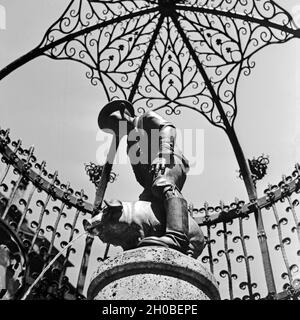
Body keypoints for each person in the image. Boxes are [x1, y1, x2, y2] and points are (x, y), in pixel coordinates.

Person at [98, 100, 190, 254]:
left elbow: (167, 128)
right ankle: (157, 236)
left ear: (124, 112)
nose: (116, 129)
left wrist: (163, 155)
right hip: (151, 178)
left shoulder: (145, 119)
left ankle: (177, 236)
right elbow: (139, 171)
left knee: (162, 184)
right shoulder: (130, 142)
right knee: (145, 206)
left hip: (169, 161)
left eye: (115, 123)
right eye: (113, 129)